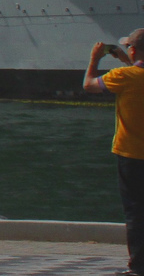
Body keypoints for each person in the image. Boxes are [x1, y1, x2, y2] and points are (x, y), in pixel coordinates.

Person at [87, 32, 144, 274]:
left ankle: (139, 267)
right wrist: (128, 61)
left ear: (132, 50)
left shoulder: (124, 76)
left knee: (135, 212)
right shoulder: (130, 72)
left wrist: (94, 59)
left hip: (131, 154)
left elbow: (89, 85)